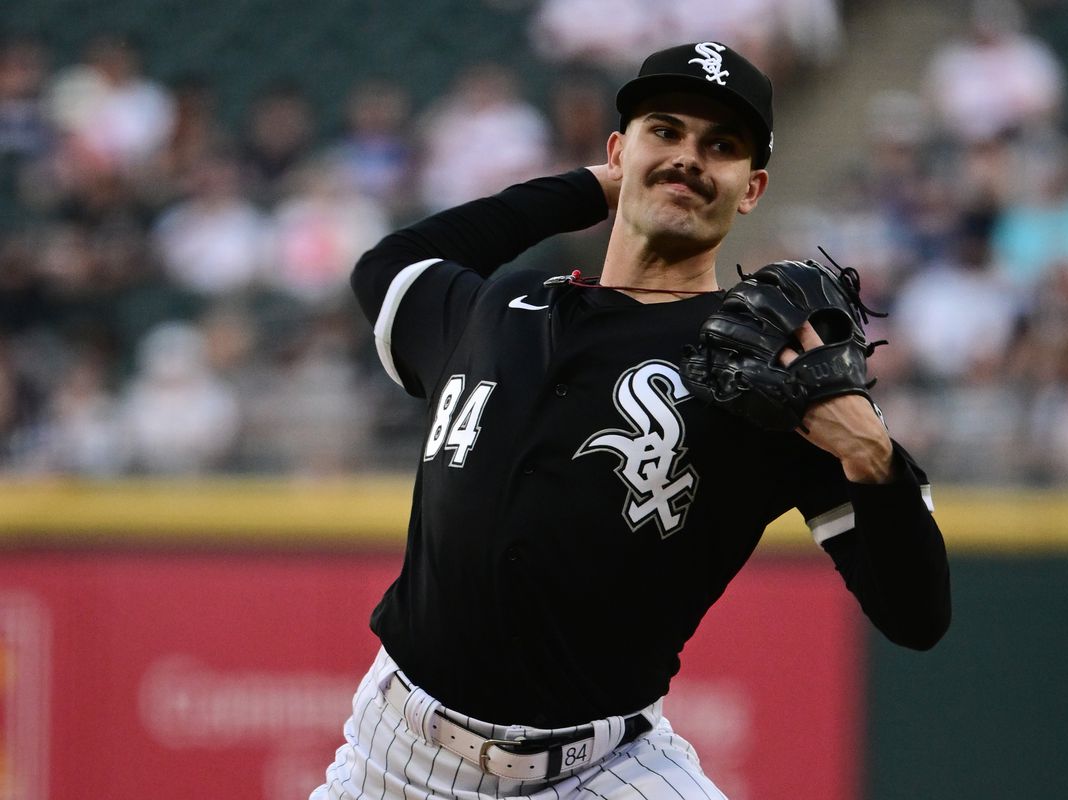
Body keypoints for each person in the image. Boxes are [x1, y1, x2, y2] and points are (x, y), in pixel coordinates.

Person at [313, 41, 950, 799]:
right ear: (620, 150)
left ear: (751, 189)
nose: (689, 158)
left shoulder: (766, 371)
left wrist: (874, 459)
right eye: (666, 132)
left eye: (721, 147)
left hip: (600, 773)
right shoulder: (501, 306)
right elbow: (392, 265)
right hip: (393, 757)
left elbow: (917, 615)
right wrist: (586, 190)